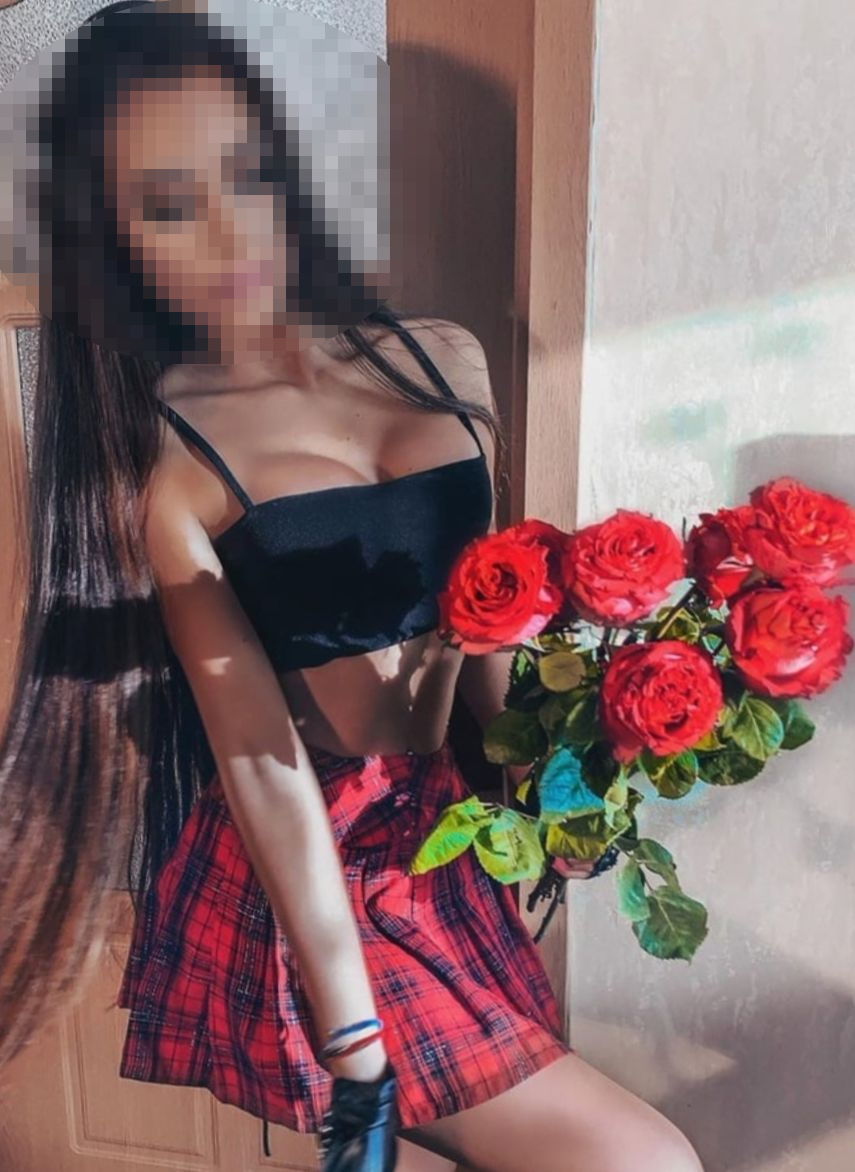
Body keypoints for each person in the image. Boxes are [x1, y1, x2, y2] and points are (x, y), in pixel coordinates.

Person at [0, 4, 706, 1170]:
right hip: (319, 879)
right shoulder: (174, 466)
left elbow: (489, 622)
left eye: (248, 172)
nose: (231, 228)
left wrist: (551, 795)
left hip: (443, 838)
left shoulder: (446, 355)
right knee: (639, 1159)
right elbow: (257, 759)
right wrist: (353, 1045)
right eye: (170, 205)